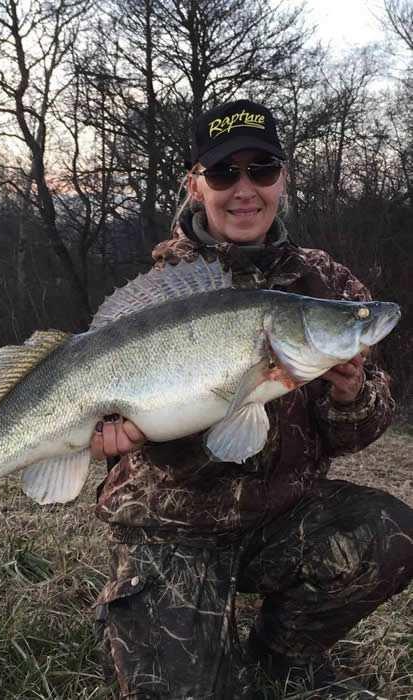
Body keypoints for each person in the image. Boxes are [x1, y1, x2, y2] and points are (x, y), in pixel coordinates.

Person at [90, 100, 413, 699]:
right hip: (173, 525)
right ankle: (155, 615)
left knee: (388, 532)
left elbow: (360, 429)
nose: (244, 190)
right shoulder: (162, 291)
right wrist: (123, 437)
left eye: (261, 170)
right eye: (223, 174)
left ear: (282, 179)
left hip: (279, 516)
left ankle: (282, 652)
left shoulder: (327, 287)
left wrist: (350, 393)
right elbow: (128, 419)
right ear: (196, 186)